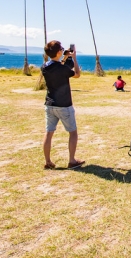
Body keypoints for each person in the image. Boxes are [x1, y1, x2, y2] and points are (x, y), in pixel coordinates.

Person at [41, 41, 85, 170]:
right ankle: (71, 160)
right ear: (59, 52)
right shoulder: (63, 68)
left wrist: (65, 57)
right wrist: (74, 59)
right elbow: (77, 74)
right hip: (64, 105)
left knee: (49, 133)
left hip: (50, 104)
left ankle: (48, 161)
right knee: (73, 133)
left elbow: (57, 66)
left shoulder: (45, 67)